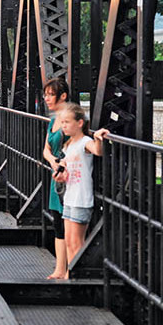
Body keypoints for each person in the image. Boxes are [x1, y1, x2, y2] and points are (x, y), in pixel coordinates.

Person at [54, 103, 108, 274]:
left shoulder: (85, 141)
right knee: (69, 241)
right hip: (70, 197)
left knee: (77, 242)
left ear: (80, 123)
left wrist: (99, 138)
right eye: (62, 123)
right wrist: (60, 174)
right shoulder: (68, 145)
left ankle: (76, 276)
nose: (64, 126)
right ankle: (70, 274)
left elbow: (97, 151)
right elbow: (66, 166)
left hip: (82, 199)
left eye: (67, 122)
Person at [42, 78, 70, 279]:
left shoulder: (72, 119)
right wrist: (52, 161)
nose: (46, 98)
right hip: (56, 173)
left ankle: (69, 269)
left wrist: (63, 163)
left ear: (63, 96)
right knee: (58, 222)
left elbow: (77, 145)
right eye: (46, 94)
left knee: (69, 222)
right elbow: (46, 149)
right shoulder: (53, 121)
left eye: (50, 94)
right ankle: (59, 269)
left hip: (69, 176)